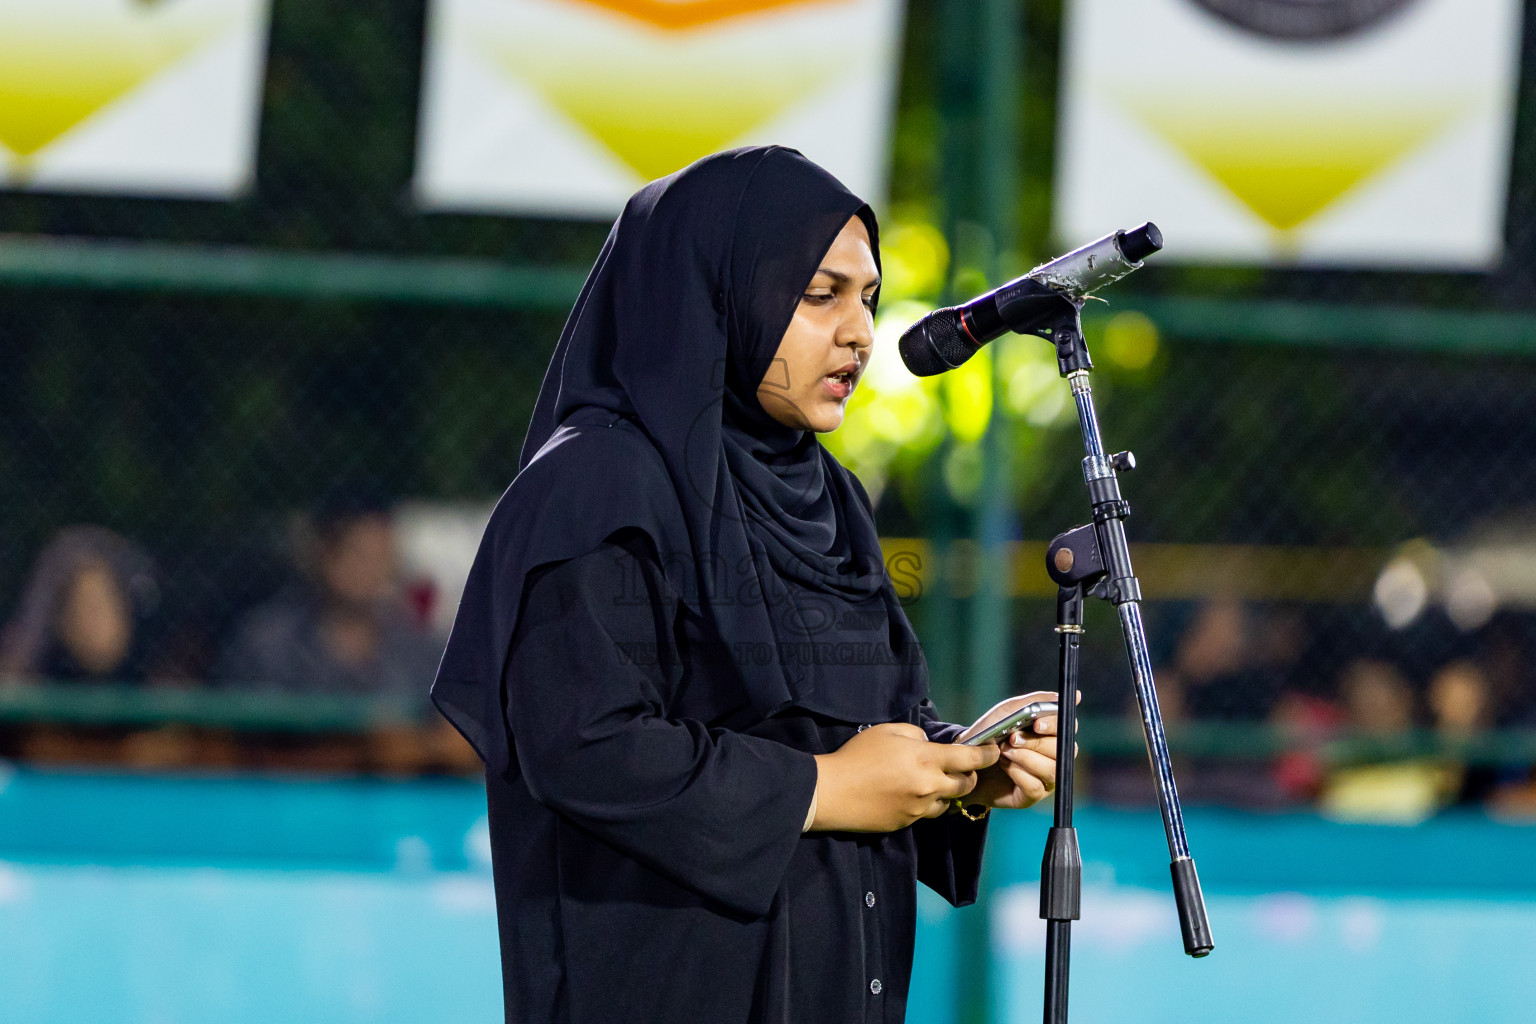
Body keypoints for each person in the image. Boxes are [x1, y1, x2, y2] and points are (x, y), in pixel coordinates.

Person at [432, 147, 1060, 1024]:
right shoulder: (599, 483)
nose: (860, 333)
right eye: (820, 296)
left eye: (868, 298)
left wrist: (959, 772)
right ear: (716, 294)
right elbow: (586, 744)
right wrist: (823, 789)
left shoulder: (826, 491)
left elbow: (850, 727)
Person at [0, 525, 156, 685]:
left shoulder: (156, 684)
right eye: (87, 608)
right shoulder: (30, 687)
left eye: (102, 606)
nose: (95, 621)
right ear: (61, 621)